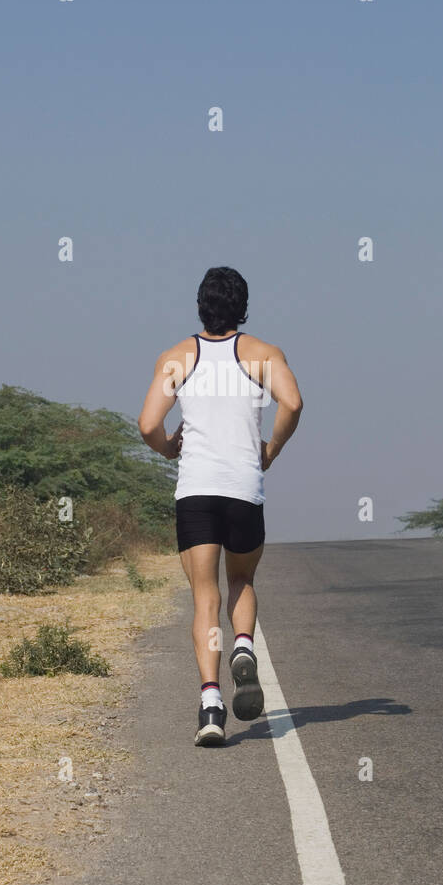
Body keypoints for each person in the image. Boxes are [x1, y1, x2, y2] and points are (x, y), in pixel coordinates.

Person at [137, 267, 303, 745]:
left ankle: (211, 705)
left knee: (205, 599)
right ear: (243, 307)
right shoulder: (264, 355)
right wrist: (270, 448)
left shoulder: (176, 358)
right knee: (242, 579)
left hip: (196, 492)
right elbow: (292, 403)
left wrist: (169, 446)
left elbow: (149, 424)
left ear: (199, 306)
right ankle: (244, 646)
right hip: (243, 489)